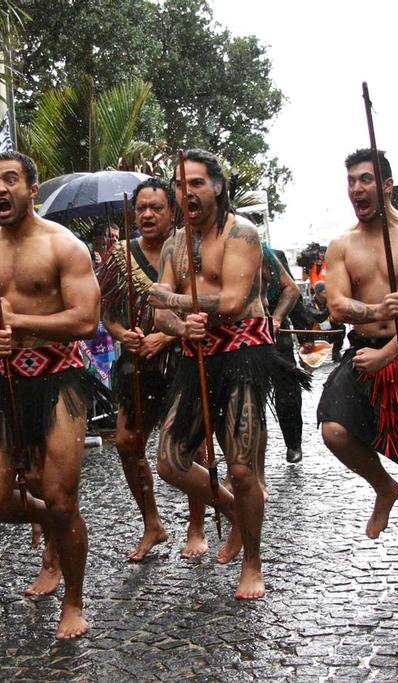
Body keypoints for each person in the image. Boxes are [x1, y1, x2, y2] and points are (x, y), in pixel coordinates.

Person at [0, 151, 107, 640]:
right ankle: (59, 521)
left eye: (11, 179)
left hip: (60, 378)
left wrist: (18, 323)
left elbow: (85, 320)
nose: (0, 188)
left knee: (61, 496)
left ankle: (74, 601)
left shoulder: (64, 246)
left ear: (31, 189)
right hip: (2, 383)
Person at [148, 149, 309, 600]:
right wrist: (183, 326)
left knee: (241, 466)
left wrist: (178, 304)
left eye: (196, 183)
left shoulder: (243, 234)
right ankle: (237, 510)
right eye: (180, 186)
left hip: (243, 356)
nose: (187, 193)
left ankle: (253, 563)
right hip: (194, 356)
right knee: (170, 461)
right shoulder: (174, 245)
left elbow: (235, 301)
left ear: (217, 185)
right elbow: (159, 314)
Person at [317, 148, 398, 582]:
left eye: (366, 180)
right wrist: (375, 310)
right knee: (334, 429)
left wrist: (388, 353)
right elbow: (337, 306)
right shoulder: (342, 245)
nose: (357, 188)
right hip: (363, 352)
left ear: (387, 186)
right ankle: (382, 485)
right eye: (352, 181)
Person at [98, 177, 208, 561]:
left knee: (190, 447)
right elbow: (107, 312)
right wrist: (121, 334)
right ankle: (152, 524)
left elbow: (207, 310)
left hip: (184, 359)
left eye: (155, 208)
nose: (146, 214)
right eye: (141, 208)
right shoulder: (120, 255)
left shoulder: (191, 249)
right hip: (136, 363)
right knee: (128, 443)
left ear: (172, 212)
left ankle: (196, 527)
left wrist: (168, 337)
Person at [261, 243, 305, 462]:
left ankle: (293, 443)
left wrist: (307, 339)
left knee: (288, 394)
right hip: (245, 342)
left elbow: (294, 297)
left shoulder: (272, 256)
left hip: (279, 339)